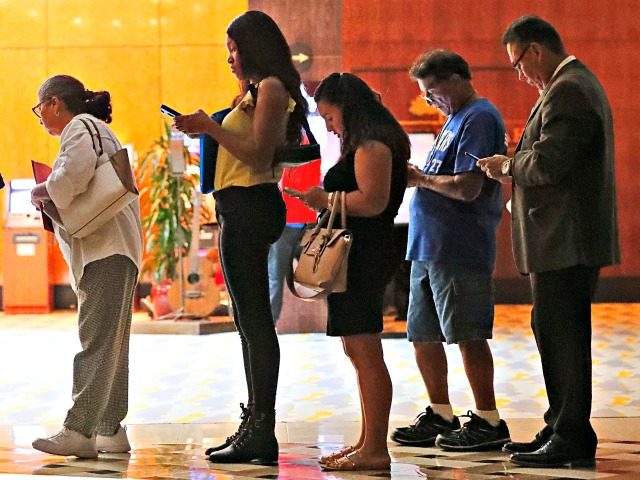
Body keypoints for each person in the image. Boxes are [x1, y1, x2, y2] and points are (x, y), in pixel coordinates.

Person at [477, 16, 619, 468]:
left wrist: (507, 166)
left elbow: (550, 164)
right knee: (552, 331)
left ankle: (572, 435)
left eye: (518, 63)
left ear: (535, 50)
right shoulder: (566, 87)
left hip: (567, 241)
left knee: (564, 337)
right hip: (559, 240)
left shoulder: (569, 89)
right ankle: (560, 423)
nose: (519, 74)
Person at [174, 10, 308, 464]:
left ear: (253, 47)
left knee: (254, 324)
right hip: (240, 208)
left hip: (253, 206)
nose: (229, 58)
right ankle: (254, 422)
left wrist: (209, 127)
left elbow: (256, 155)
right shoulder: (254, 91)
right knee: (247, 324)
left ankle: (261, 427)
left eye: (233, 49)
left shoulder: (270, 87)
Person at [391, 49, 511, 452]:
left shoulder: (480, 117)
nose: (429, 101)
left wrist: (420, 179)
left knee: (467, 335)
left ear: (457, 79)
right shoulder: (453, 120)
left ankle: (488, 420)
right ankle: (441, 412)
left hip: (459, 245)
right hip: (427, 246)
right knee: (422, 334)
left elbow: (466, 187)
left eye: (432, 91)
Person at [290, 73, 409, 471]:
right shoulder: (366, 140)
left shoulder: (372, 143)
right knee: (357, 349)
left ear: (347, 105)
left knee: (365, 350)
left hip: (364, 253)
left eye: (329, 115)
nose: (328, 124)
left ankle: (376, 447)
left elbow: (372, 201)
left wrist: (324, 198)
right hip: (360, 252)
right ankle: (366, 441)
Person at [29, 75, 142, 458]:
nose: (40, 116)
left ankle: (79, 429)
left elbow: (71, 176)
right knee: (112, 344)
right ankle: (110, 428)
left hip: (105, 250)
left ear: (56, 103)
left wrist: (40, 191)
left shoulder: (81, 127)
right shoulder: (97, 129)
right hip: (116, 250)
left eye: (40, 107)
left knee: (95, 341)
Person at [268, 162, 321, 323]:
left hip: (291, 223)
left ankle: (270, 323)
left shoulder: (283, 156)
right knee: (320, 275)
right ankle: (270, 323)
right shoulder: (312, 149)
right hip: (303, 221)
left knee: (275, 277)